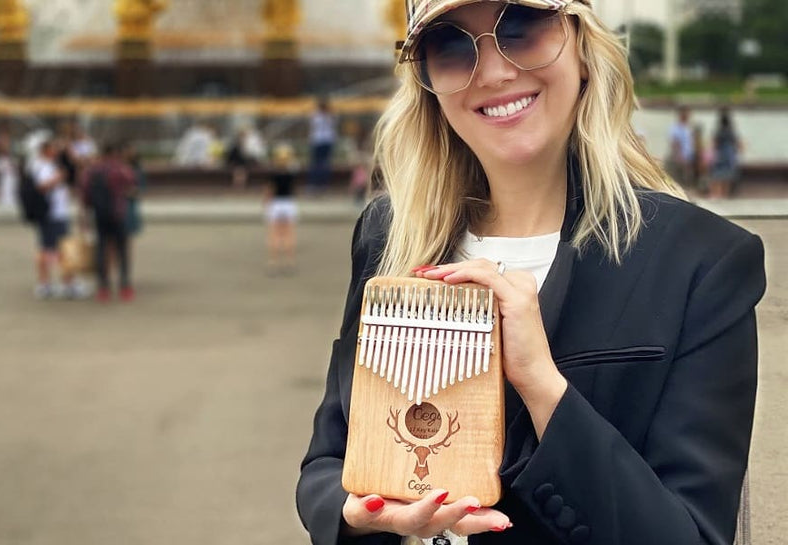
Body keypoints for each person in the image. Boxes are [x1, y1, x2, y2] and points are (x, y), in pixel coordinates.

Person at [296, 2, 765, 545]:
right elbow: (327, 463)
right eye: (450, 44)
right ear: (425, 81)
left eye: (521, 26)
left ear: (582, 46)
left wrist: (544, 388)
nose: (494, 72)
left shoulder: (699, 262)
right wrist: (357, 514)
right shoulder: (389, 235)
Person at [79, 143, 138, 303]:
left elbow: (84, 196)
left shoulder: (91, 171)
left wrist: (84, 218)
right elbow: (132, 187)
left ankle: (103, 287)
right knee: (122, 250)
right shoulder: (121, 169)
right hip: (118, 214)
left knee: (101, 249)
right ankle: (125, 286)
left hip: (99, 215)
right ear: (115, 154)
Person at [30, 139, 79, 299]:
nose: (57, 151)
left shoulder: (52, 166)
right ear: (45, 150)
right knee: (55, 249)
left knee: (53, 248)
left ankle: (55, 283)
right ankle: (59, 284)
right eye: (53, 148)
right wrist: (58, 178)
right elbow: (41, 187)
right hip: (52, 214)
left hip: (58, 213)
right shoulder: (42, 167)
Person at [265, 143, 300, 274]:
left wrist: (266, 201)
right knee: (289, 234)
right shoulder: (291, 174)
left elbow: (270, 190)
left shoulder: (273, 175)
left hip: (276, 203)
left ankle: (273, 261)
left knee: (275, 234)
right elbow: (295, 190)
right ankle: (290, 261)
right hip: (289, 203)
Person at [708, 108, 743, 200]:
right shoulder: (731, 132)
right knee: (727, 177)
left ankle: (716, 194)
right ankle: (725, 195)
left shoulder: (718, 132)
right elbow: (738, 144)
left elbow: (714, 145)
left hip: (720, 156)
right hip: (729, 157)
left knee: (717, 176)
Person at [308, 97, 337, 195]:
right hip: (321, 141)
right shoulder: (322, 116)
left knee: (321, 163)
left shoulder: (321, 116)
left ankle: (321, 183)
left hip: (322, 141)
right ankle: (317, 183)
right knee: (319, 163)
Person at [665, 106, 694, 189]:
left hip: (688, 156)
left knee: (687, 178)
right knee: (678, 179)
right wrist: (679, 155)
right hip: (680, 157)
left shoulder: (688, 128)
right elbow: (674, 143)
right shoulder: (675, 128)